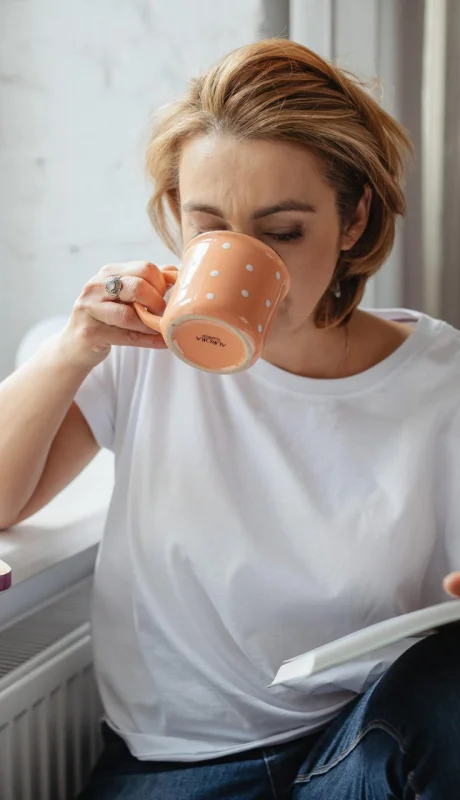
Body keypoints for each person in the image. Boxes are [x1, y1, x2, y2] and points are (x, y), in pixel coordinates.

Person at [0, 38, 459, 800]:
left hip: (365, 751)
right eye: (210, 226)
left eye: (282, 233)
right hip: (173, 769)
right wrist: (73, 349)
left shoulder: (440, 378)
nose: (244, 258)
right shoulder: (138, 347)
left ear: (354, 220)